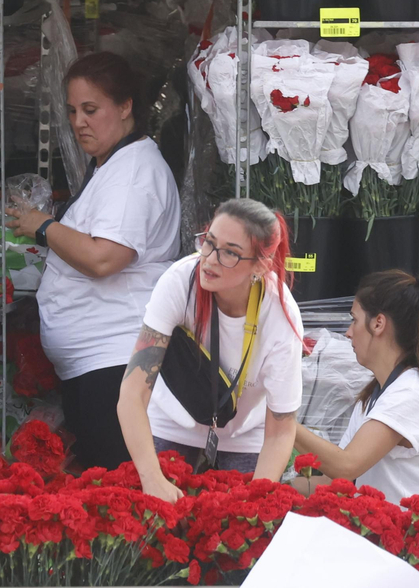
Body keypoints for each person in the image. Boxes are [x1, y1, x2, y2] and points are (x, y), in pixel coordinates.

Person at [4, 52, 180, 472]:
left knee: (119, 488)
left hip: (116, 361)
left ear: (125, 107)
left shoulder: (133, 172)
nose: (79, 122)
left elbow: (104, 258)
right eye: (72, 111)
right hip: (97, 363)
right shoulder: (112, 164)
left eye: (90, 109)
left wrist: (43, 226)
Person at [117, 198, 304, 502]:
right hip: (171, 419)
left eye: (230, 252)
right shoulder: (179, 280)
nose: (210, 259)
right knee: (155, 516)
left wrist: (253, 501)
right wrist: (152, 479)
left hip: (246, 432)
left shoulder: (281, 314)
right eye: (209, 242)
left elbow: (281, 430)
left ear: (260, 265)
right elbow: (131, 394)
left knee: (243, 521)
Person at [292, 270, 419, 505]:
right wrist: (267, 485)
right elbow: (334, 481)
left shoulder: (412, 393)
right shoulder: (374, 395)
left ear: (378, 324)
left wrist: (281, 419)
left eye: (354, 320)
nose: (348, 332)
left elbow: (346, 465)